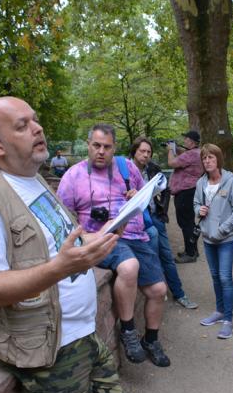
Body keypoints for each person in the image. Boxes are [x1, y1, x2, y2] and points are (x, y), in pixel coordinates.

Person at [0, 97, 129, 393]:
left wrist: (96, 238)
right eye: (22, 126)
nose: (38, 128)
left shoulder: (34, 182)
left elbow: (57, 243)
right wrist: (60, 268)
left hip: (85, 333)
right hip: (51, 353)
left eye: (34, 120)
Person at [57, 124, 171, 368]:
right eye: (96, 146)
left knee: (159, 290)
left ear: (114, 148)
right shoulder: (72, 176)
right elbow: (63, 219)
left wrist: (135, 195)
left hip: (133, 234)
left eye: (106, 147)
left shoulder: (126, 167)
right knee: (129, 268)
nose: (101, 151)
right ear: (88, 145)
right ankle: (128, 331)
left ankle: (151, 340)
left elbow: (144, 194)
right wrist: (86, 235)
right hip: (101, 237)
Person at [129, 136, 198, 310]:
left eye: (148, 152)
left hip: (154, 216)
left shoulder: (153, 169)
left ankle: (179, 293)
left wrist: (163, 212)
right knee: (150, 256)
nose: (145, 155)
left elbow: (165, 189)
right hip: (133, 221)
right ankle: (156, 293)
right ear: (134, 151)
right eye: (142, 151)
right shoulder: (124, 170)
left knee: (166, 256)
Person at [194, 143, 233, 339]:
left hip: (225, 239)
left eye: (211, 157)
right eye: (204, 158)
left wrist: (222, 229)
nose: (207, 161)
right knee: (215, 277)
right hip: (207, 239)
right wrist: (199, 210)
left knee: (225, 277)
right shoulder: (201, 183)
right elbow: (196, 204)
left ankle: (228, 320)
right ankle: (219, 310)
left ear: (218, 159)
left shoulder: (230, 182)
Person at [167, 130, 204, 263]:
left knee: (186, 223)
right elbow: (184, 155)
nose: (184, 141)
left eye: (186, 139)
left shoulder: (192, 154)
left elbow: (171, 163)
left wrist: (170, 150)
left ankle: (190, 253)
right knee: (189, 222)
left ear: (192, 142)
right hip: (189, 191)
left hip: (185, 192)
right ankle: (193, 250)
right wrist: (177, 148)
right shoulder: (196, 153)